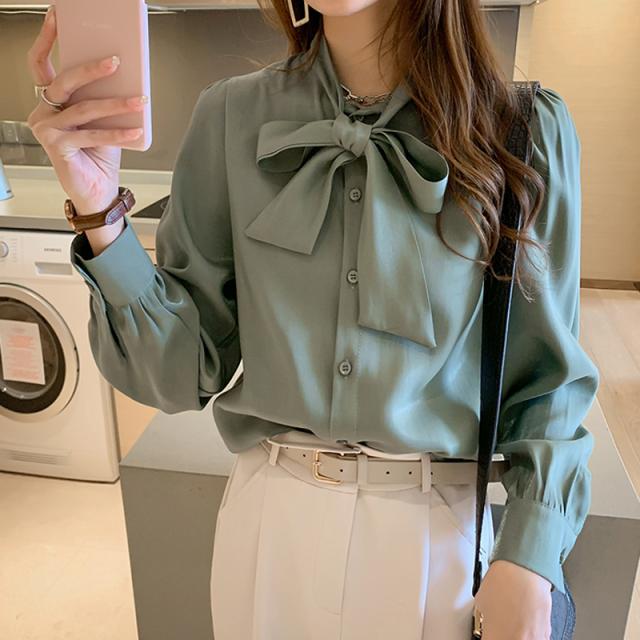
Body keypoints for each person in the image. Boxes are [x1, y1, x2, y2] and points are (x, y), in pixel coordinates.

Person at [26, 1, 598, 639]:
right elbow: (180, 373)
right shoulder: (231, 115)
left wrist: (530, 554)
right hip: (270, 529)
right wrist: (100, 211)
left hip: (439, 538)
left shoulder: (523, 127)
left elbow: (549, 382)